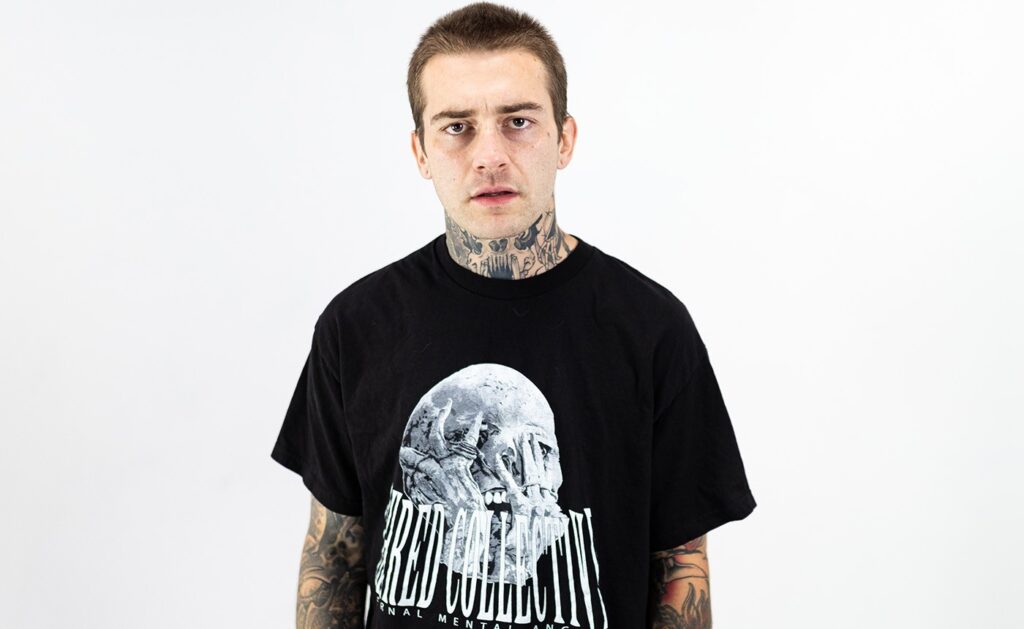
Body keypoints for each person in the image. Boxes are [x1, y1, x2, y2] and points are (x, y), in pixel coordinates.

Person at [270, 3, 757, 627]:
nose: (489, 156)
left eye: (518, 121)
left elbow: (681, 567)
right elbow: (334, 559)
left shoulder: (651, 329)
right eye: (457, 127)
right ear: (421, 152)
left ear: (565, 139)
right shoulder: (357, 327)